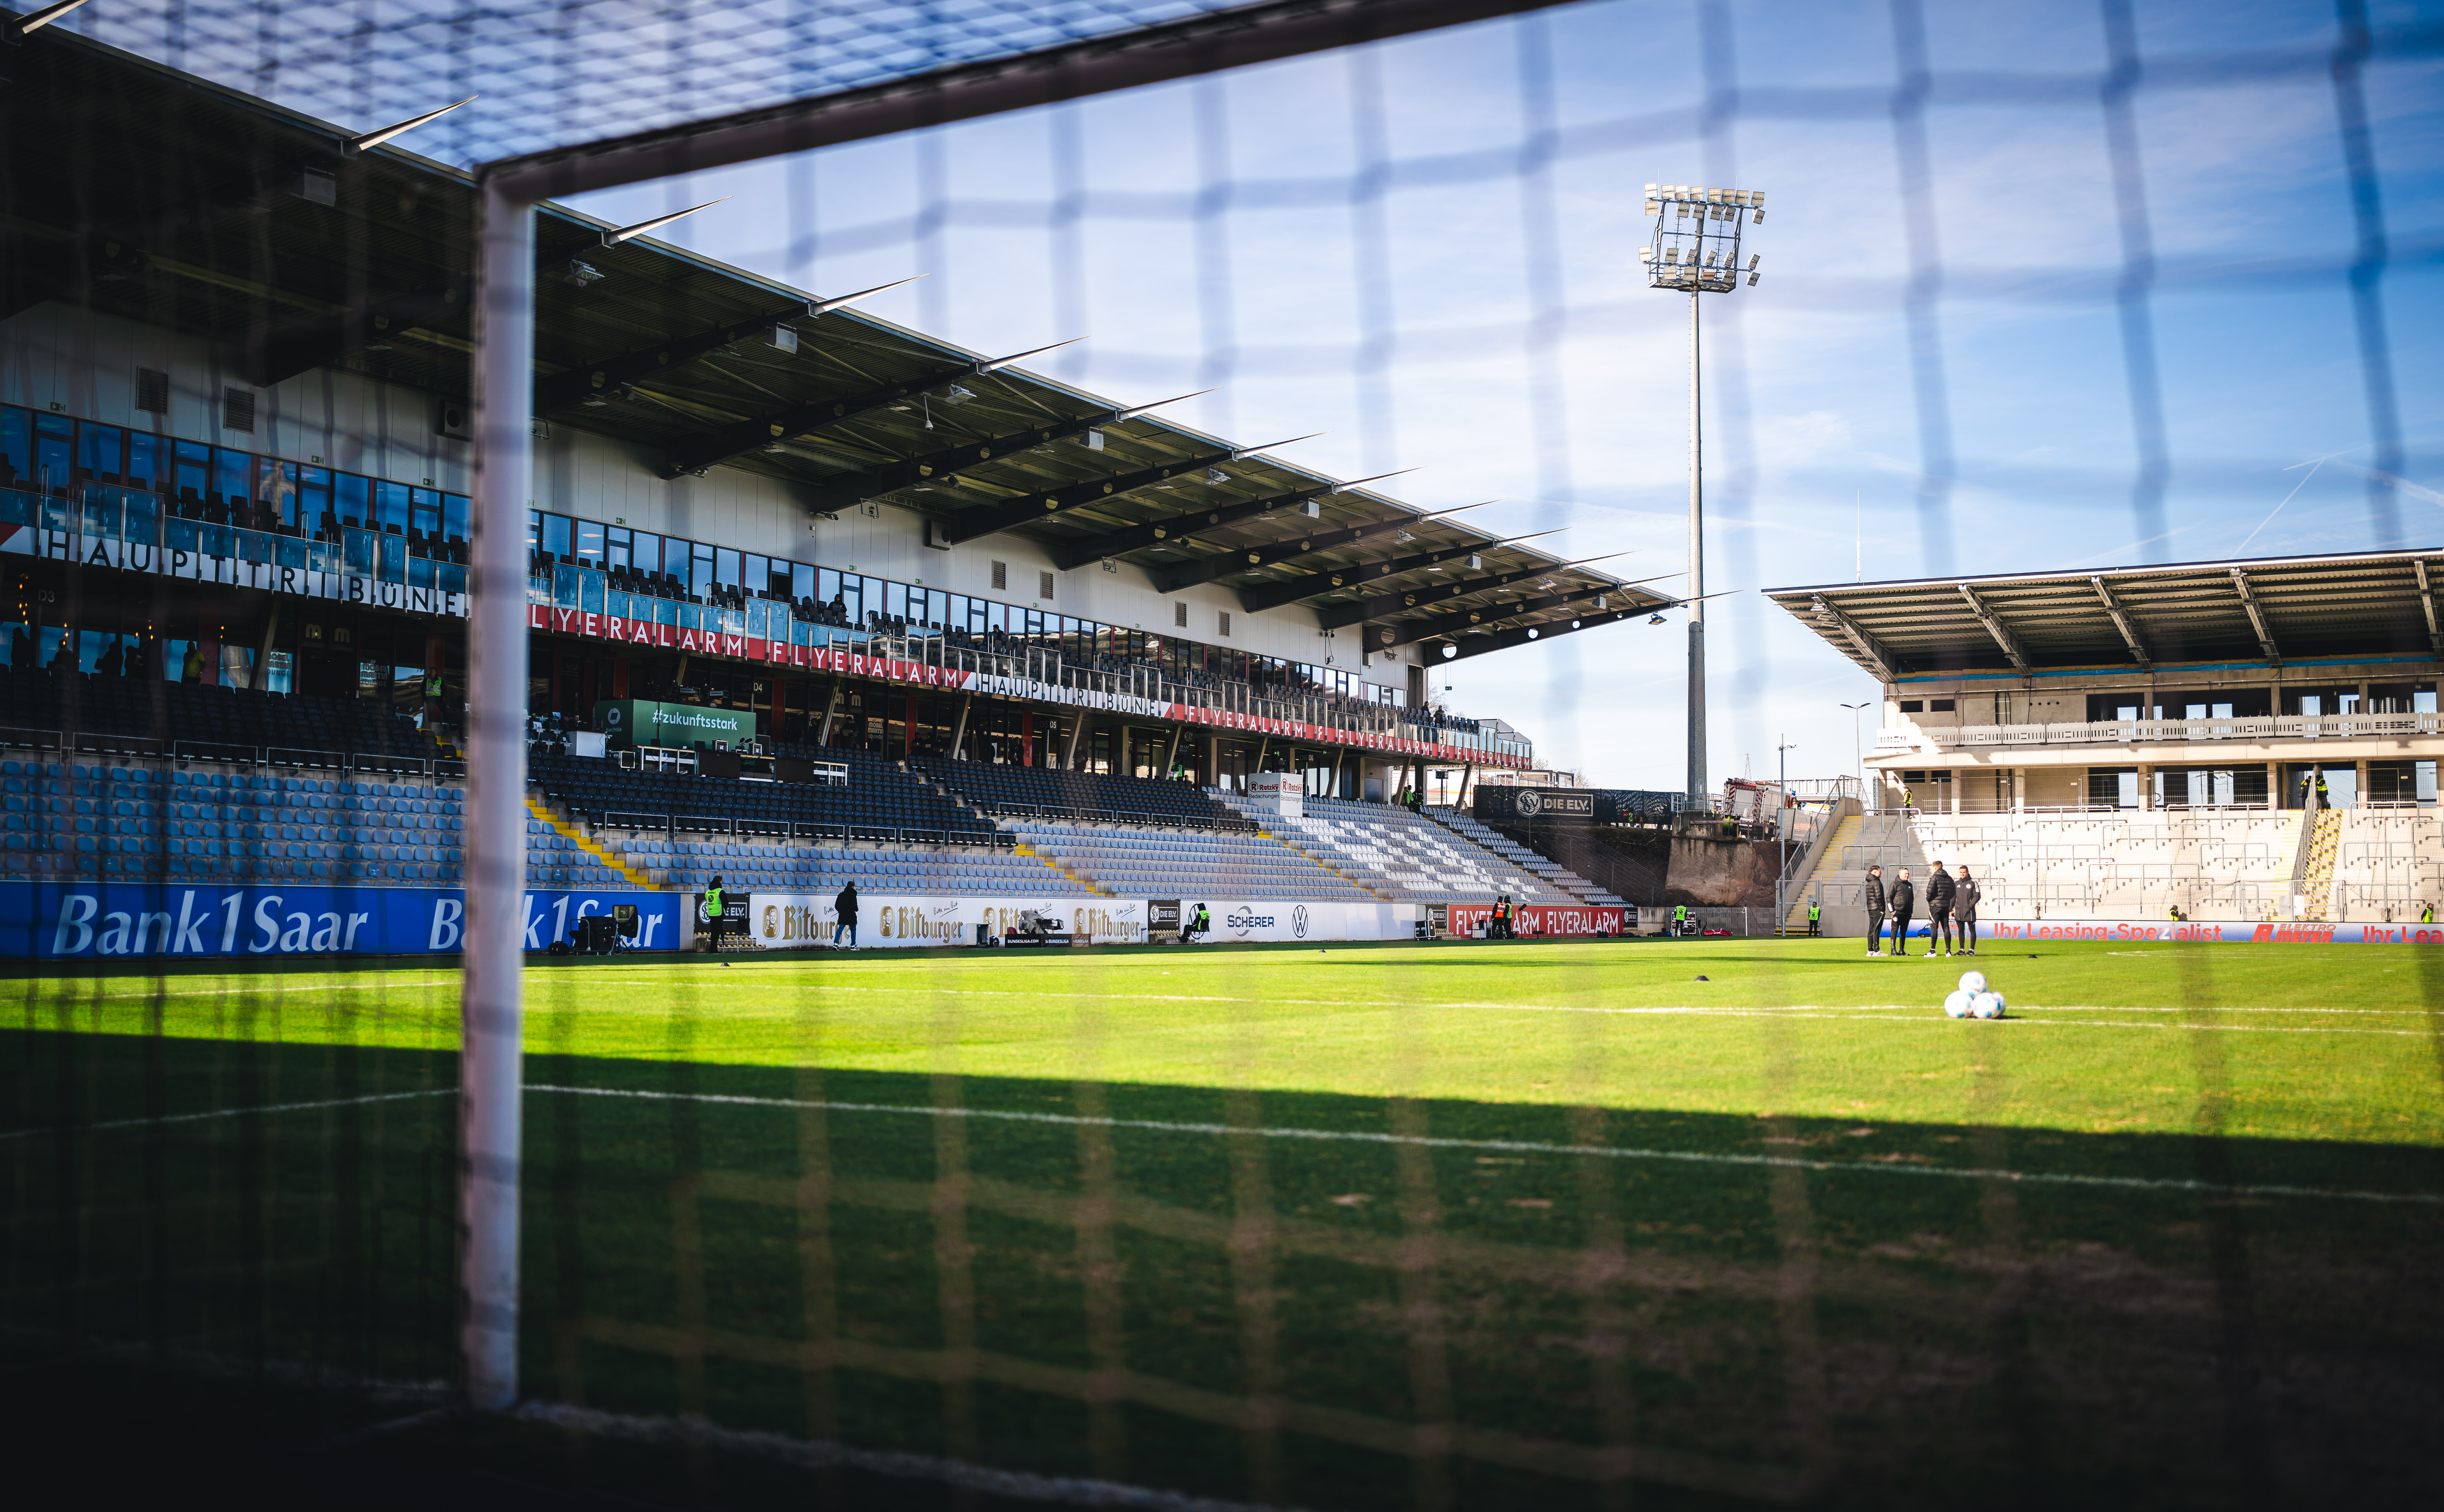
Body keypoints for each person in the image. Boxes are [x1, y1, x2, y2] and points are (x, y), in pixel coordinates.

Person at [1924, 862, 1956, 958]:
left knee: (1934, 927)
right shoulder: (1949, 879)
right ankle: (1948, 951)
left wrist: (1929, 900)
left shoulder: (1935, 877)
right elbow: (1953, 893)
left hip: (1935, 907)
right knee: (1946, 927)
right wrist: (1949, 905)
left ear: (1935, 867)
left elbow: (1929, 891)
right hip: (1945, 906)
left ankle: (1933, 950)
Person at [1887, 867, 1917, 958]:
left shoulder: (1910, 885)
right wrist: (1892, 911)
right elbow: (1889, 898)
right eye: (1905, 874)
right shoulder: (1895, 884)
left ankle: (1901, 950)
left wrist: (1911, 910)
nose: (1907, 875)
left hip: (1907, 913)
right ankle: (1893, 950)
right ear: (1900, 875)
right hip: (1897, 912)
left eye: (1908, 874)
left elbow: (1912, 899)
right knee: (1895, 930)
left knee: (1903, 931)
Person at [1862, 864, 1887, 958]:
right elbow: (1879, 896)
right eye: (1879, 871)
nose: (1881, 873)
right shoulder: (1876, 882)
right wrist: (1882, 909)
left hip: (1871, 908)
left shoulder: (1869, 882)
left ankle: (1870, 950)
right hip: (1877, 908)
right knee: (1877, 930)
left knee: (1871, 929)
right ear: (1875, 872)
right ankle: (1876, 950)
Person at [1955, 866, 1980, 954]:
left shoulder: (1973, 882)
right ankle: (1961, 950)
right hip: (1959, 911)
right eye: (1961, 872)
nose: (1962, 874)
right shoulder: (1957, 883)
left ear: (1967, 872)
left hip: (1969, 911)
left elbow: (1977, 895)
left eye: (1964, 872)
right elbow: (1953, 897)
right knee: (1961, 930)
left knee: (1972, 930)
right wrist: (1951, 909)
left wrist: (1970, 906)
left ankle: (1971, 950)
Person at [833, 878, 860, 949]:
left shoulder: (841, 895)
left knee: (840, 929)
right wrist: (856, 909)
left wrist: (841, 911)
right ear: (853, 887)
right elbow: (855, 907)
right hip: (851, 915)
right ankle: (853, 945)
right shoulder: (853, 895)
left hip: (843, 915)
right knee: (853, 930)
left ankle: (835, 944)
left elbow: (836, 905)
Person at [703, 875, 726, 945]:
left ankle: (713, 948)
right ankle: (713, 948)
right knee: (717, 932)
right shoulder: (720, 891)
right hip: (719, 913)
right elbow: (725, 902)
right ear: (720, 881)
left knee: (713, 932)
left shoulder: (708, 892)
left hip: (711, 913)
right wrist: (724, 911)